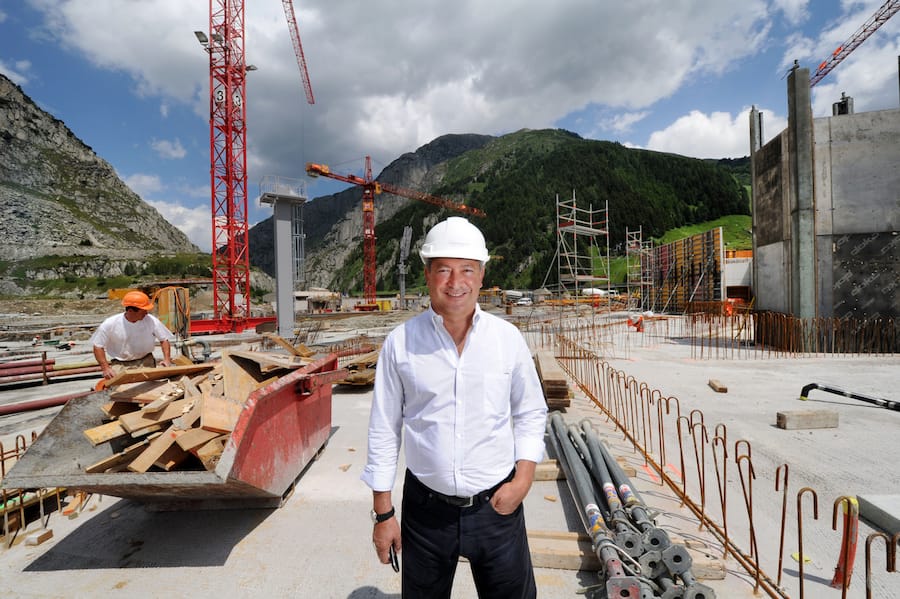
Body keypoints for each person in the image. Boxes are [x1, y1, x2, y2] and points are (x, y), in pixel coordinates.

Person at [361, 217, 548, 599]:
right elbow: (384, 429)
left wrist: (524, 480)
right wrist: (383, 514)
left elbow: (530, 412)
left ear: (481, 276)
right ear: (427, 275)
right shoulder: (401, 344)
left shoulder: (506, 340)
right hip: (425, 513)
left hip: (497, 508)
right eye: (444, 269)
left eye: (467, 270)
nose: (455, 282)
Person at [91, 290, 175, 380]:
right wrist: (106, 368)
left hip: (145, 361)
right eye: (143, 311)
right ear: (131, 310)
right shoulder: (110, 324)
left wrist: (167, 359)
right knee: (120, 390)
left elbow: (164, 340)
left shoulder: (151, 320)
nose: (146, 313)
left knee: (149, 389)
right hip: (120, 364)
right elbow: (98, 346)